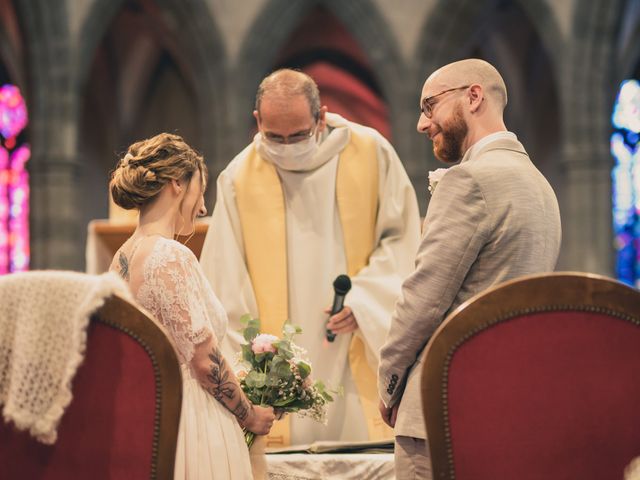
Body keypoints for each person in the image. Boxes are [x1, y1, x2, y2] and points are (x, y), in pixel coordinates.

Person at [200, 69, 421, 446]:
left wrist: (365, 302)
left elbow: (402, 239)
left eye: (298, 135)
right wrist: (255, 357)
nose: (286, 146)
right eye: (274, 137)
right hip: (278, 354)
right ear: (257, 122)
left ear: (321, 117)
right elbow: (225, 277)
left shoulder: (371, 152)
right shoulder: (238, 177)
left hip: (354, 337)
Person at [377, 58, 562, 479]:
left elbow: (423, 299)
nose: (423, 124)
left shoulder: (469, 181)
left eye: (429, 107)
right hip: (510, 404)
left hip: (445, 405)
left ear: (473, 96)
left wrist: (388, 381)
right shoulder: (540, 185)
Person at [108, 133, 275, 480]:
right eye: (201, 190)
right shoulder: (170, 255)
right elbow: (203, 360)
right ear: (177, 184)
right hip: (190, 423)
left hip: (146, 416)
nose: (202, 207)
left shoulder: (120, 257)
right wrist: (251, 416)